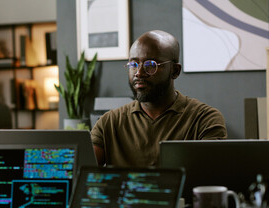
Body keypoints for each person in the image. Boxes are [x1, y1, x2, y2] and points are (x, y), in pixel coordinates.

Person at [91, 30, 227, 168]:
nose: (139, 73)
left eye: (150, 65)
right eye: (133, 65)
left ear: (175, 71)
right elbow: (81, 172)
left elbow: (212, 179)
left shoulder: (204, 120)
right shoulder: (109, 123)